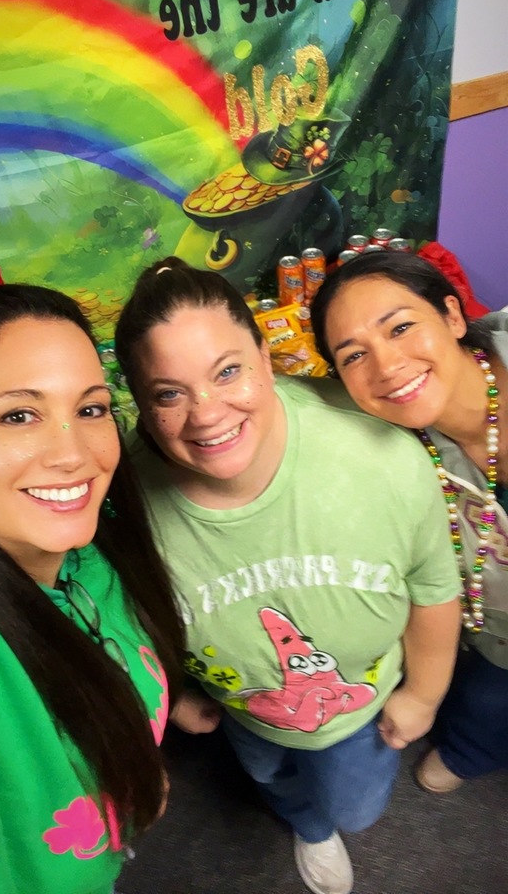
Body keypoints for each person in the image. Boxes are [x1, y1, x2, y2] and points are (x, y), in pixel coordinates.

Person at [114, 256, 461, 894]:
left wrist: (425, 694)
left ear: (266, 359)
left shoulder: (377, 453)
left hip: (360, 714)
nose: (206, 413)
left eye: (227, 371)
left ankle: (325, 819)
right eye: (168, 393)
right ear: (137, 405)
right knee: (272, 778)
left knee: (355, 809)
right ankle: (305, 825)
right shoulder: (124, 498)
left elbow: (433, 586)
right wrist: (172, 696)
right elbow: (131, 612)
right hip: (241, 711)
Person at [0, 284, 185, 894]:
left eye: (91, 408)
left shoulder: (98, 549)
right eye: (19, 415)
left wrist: (136, 768)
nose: (74, 454)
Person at [311, 248, 508, 796]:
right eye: (353, 356)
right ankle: (474, 749)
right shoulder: (395, 455)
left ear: (451, 315)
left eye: (400, 327)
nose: (387, 365)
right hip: (498, 639)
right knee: (480, 709)